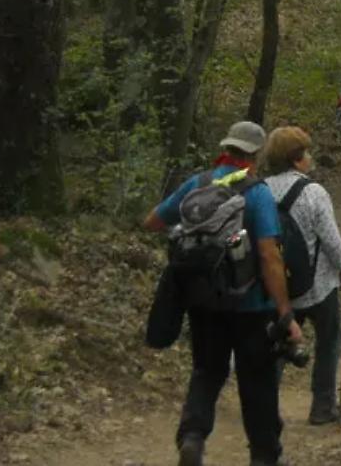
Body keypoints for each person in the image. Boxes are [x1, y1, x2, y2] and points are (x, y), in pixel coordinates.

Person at [142, 121, 301, 466]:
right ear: (255, 154)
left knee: (207, 371)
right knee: (256, 380)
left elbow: (153, 221)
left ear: (226, 148)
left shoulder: (197, 183)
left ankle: (193, 437)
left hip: (203, 301)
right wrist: (284, 310)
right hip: (251, 306)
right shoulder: (255, 192)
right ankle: (264, 456)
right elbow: (269, 255)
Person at [263, 127, 341, 426]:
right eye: (307, 152)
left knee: (278, 344)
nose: (311, 158)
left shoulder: (260, 190)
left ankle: (263, 407)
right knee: (328, 340)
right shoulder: (313, 192)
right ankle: (322, 405)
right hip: (317, 286)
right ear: (297, 158)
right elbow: (330, 239)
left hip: (278, 289)